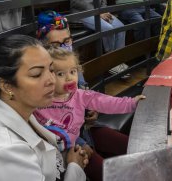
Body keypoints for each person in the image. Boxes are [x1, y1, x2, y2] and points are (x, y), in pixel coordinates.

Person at [0, 35, 87, 180]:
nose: (51, 80)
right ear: (7, 85)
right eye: (36, 74)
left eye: (51, 70)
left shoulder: (21, 108)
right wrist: (74, 167)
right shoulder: (4, 153)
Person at [34, 47, 145, 181]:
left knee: (107, 172)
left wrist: (132, 103)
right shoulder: (39, 101)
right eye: (60, 74)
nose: (69, 78)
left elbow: (106, 101)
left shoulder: (80, 95)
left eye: (73, 71)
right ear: (49, 77)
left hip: (76, 147)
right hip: (53, 158)